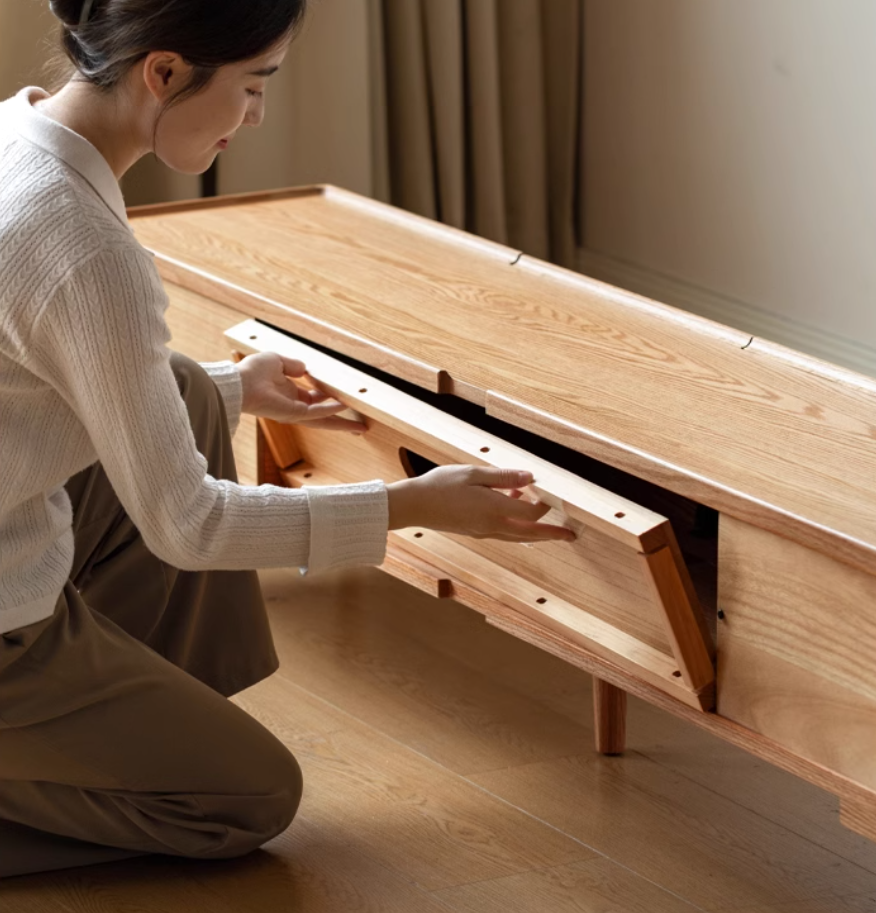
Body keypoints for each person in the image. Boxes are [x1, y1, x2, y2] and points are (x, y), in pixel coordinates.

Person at [0, 0, 574, 880]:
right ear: (163, 71)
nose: (257, 114)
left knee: (190, 390)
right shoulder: (80, 243)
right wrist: (410, 505)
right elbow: (188, 526)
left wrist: (238, 389)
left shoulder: (19, 132)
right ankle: (97, 739)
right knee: (249, 797)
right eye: (253, 84)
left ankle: (113, 724)